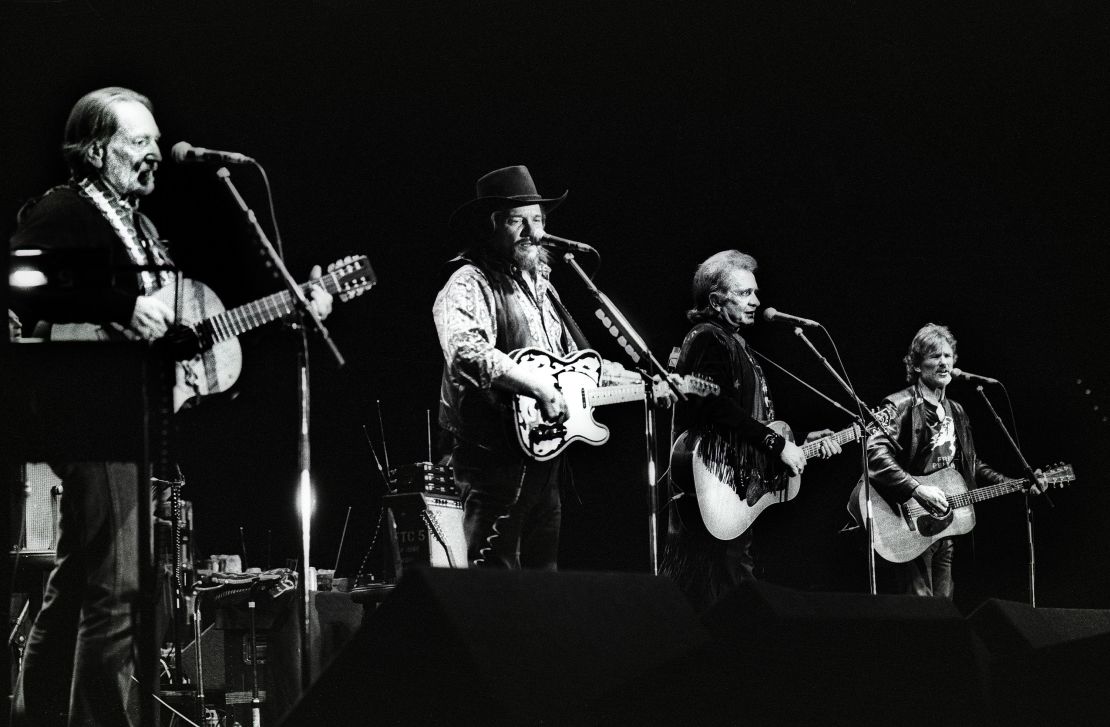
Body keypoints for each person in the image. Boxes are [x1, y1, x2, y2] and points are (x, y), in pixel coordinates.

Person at [8, 87, 332, 727]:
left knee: (76, 587)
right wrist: (119, 305)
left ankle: (36, 715)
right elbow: (21, 277)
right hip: (88, 417)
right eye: (139, 141)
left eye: (156, 140)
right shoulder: (66, 210)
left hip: (127, 421)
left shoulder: (141, 229)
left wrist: (296, 305)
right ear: (98, 150)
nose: (155, 152)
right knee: (118, 592)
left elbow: (176, 327)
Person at [434, 164, 667, 570]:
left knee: (545, 581)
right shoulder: (469, 282)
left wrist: (646, 381)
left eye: (538, 220)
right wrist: (538, 388)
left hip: (543, 461)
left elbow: (578, 366)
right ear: (490, 226)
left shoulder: (544, 286)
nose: (532, 232)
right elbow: (466, 351)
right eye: (516, 220)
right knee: (491, 582)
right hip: (491, 464)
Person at [660, 250, 840, 611]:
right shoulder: (709, 337)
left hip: (735, 486)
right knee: (724, 597)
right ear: (715, 300)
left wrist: (800, 444)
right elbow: (716, 407)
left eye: (755, 292)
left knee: (730, 591)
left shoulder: (733, 341)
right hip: (718, 484)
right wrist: (777, 444)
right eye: (745, 293)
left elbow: (747, 420)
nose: (757, 301)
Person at [864, 323, 1040, 597]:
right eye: (935, 356)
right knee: (920, 612)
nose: (944, 362)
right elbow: (874, 454)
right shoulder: (899, 404)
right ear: (918, 365)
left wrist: (1016, 483)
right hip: (905, 521)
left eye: (948, 356)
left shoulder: (956, 411)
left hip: (944, 525)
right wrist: (916, 489)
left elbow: (971, 464)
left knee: (945, 611)